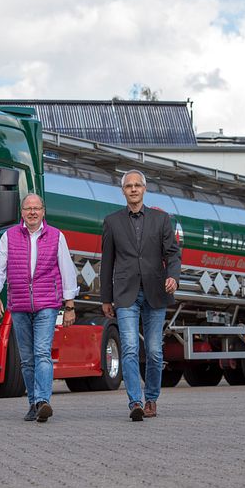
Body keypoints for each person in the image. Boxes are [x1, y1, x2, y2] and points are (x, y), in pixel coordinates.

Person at [0, 193, 79, 423]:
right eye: (28, 208)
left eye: (36, 208)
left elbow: (67, 271)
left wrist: (69, 305)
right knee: (27, 359)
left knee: (42, 353)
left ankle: (42, 401)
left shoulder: (56, 237)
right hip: (19, 304)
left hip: (47, 304)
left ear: (43, 211)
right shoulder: (9, 237)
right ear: (22, 212)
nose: (32, 212)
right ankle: (33, 403)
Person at [100, 170, 181, 421]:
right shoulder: (112, 222)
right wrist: (106, 298)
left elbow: (173, 253)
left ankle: (152, 399)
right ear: (123, 191)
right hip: (126, 294)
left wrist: (174, 277)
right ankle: (135, 401)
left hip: (156, 291)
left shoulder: (161, 219)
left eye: (137, 185)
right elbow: (108, 262)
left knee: (155, 351)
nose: (133, 189)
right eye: (128, 186)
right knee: (130, 348)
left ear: (145, 189)